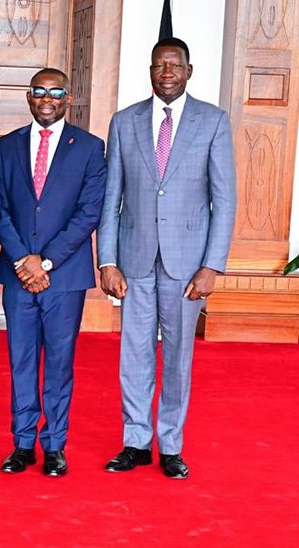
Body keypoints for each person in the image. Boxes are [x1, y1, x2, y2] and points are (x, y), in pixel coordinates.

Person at [97, 37, 236, 479]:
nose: (168, 72)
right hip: (134, 260)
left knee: (177, 358)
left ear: (189, 71)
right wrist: (107, 260)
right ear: (151, 71)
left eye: (175, 65)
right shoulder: (124, 122)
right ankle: (135, 442)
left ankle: (170, 445)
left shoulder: (213, 121)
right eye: (160, 65)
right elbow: (111, 197)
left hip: (189, 265)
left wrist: (212, 264)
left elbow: (224, 199)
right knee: (133, 355)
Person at [0, 68, 106, 476]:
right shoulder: (6, 147)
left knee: (59, 361)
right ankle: (22, 443)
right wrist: (24, 259)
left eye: (55, 91)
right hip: (18, 273)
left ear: (67, 98)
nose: (46, 98)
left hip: (65, 275)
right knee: (21, 359)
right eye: (38, 91)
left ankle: (55, 444)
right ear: (28, 97)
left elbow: (89, 211)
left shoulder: (90, 148)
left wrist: (47, 260)